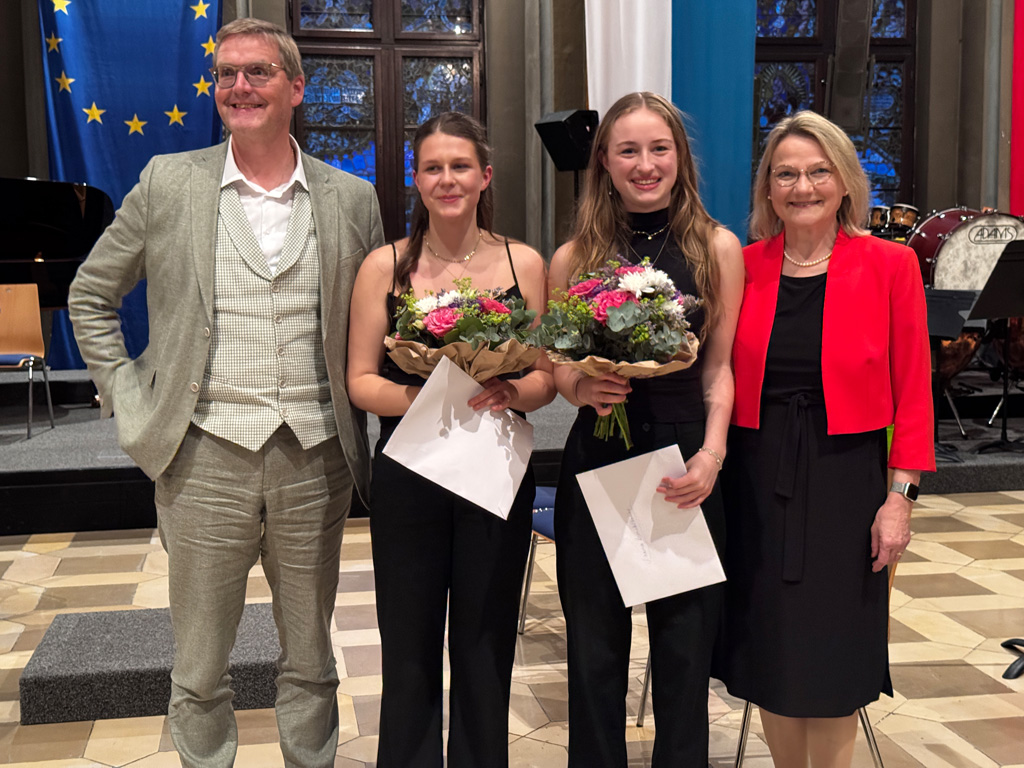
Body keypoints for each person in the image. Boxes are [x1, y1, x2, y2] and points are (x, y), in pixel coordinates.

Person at [68, 19, 383, 768]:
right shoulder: (169, 182)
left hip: (315, 460)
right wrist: (128, 396)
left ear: (296, 88)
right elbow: (90, 295)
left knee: (311, 657)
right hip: (202, 458)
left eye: (259, 72)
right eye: (226, 74)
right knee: (201, 666)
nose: (239, 87)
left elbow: (376, 316)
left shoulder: (351, 198)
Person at [714, 110, 935, 768]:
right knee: (772, 650)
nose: (802, 186)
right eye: (786, 174)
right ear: (768, 187)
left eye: (818, 172)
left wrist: (900, 500)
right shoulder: (743, 266)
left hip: (847, 482)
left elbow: (914, 392)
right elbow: (715, 373)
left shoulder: (890, 264)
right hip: (757, 478)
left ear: (844, 183)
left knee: (834, 656)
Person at [346, 111, 555, 768]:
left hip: (495, 470)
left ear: (485, 175)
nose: (447, 179)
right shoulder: (384, 266)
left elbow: (546, 377)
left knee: (484, 644)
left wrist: (511, 392)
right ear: (416, 179)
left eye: (460, 166)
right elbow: (360, 380)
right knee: (408, 647)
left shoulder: (524, 262)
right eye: (432, 167)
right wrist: (426, 397)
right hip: (411, 470)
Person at [547, 91, 743, 767]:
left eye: (659, 148)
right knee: (594, 650)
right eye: (628, 150)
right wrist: (582, 387)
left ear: (680, 157)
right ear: (604, 160)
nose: (645, 164)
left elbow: (720, 369)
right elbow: (557, 365)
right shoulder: (575, 255)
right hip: (600, 452)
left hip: (684, 461)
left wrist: (712, 455)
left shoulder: (717, 247)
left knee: (684, 655)